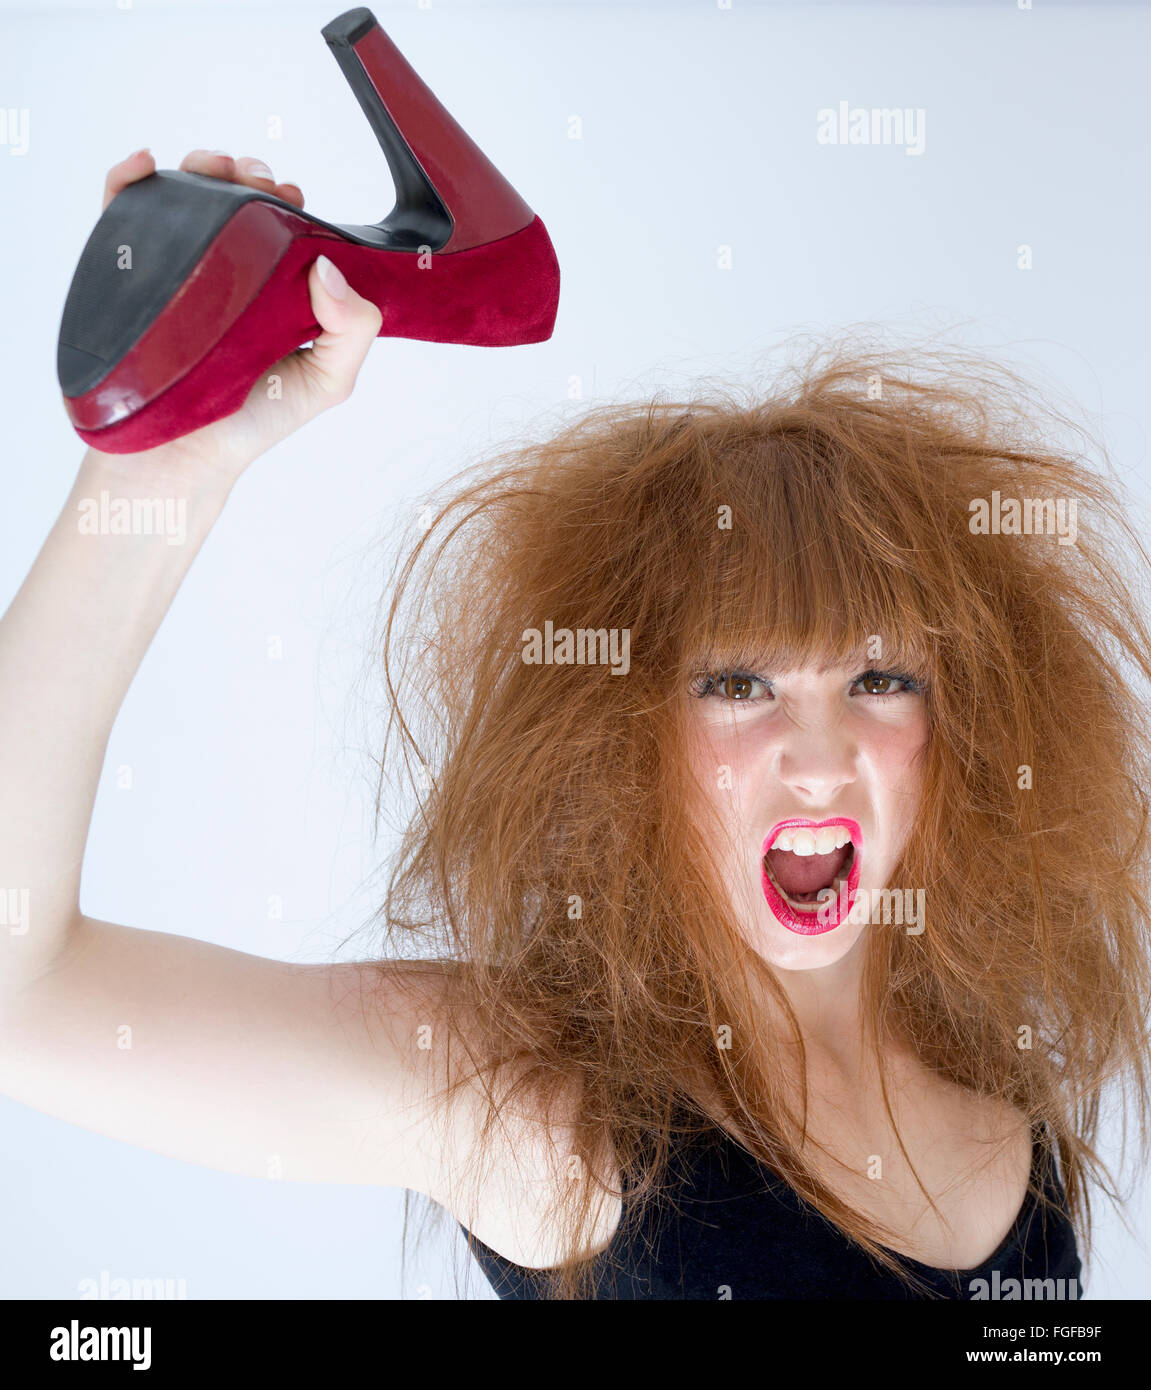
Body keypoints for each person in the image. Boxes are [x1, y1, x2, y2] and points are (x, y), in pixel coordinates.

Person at [1, 152, 1146, 1302]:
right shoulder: (543, 1114)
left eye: (880, 678)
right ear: (624, 736)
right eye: (737, 684)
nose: (816, 756)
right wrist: (160, 467)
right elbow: (21, 991)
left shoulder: (1020, 1156)